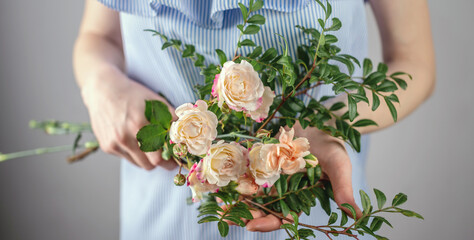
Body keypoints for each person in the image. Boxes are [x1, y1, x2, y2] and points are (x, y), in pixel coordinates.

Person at [73, 0, 435, 239]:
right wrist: (102, 85)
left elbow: (413, 60)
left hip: (307, 195)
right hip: (160, 215)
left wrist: (323, 125)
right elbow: (97, 36)